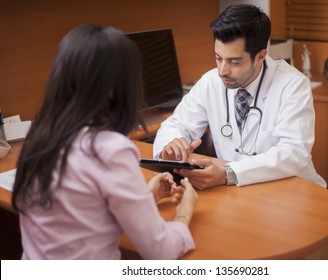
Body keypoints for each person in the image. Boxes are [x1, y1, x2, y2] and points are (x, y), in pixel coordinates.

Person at [11, 23, 198, 260]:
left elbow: (81, 219)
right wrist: (184, 213)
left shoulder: (40, 137)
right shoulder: (109, 150)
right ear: (114, 88)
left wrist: (145, 199)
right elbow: (160, 250)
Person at [153, 4, 326, 190]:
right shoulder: (211, 81)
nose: (222, 71)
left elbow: (293, 153)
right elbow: (176, 124)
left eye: (234, 62)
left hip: (290, 191)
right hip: (238, 193)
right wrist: (170, 147)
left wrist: (229, 173)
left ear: (260, 57)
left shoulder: (292, 85)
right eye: (218, 58)